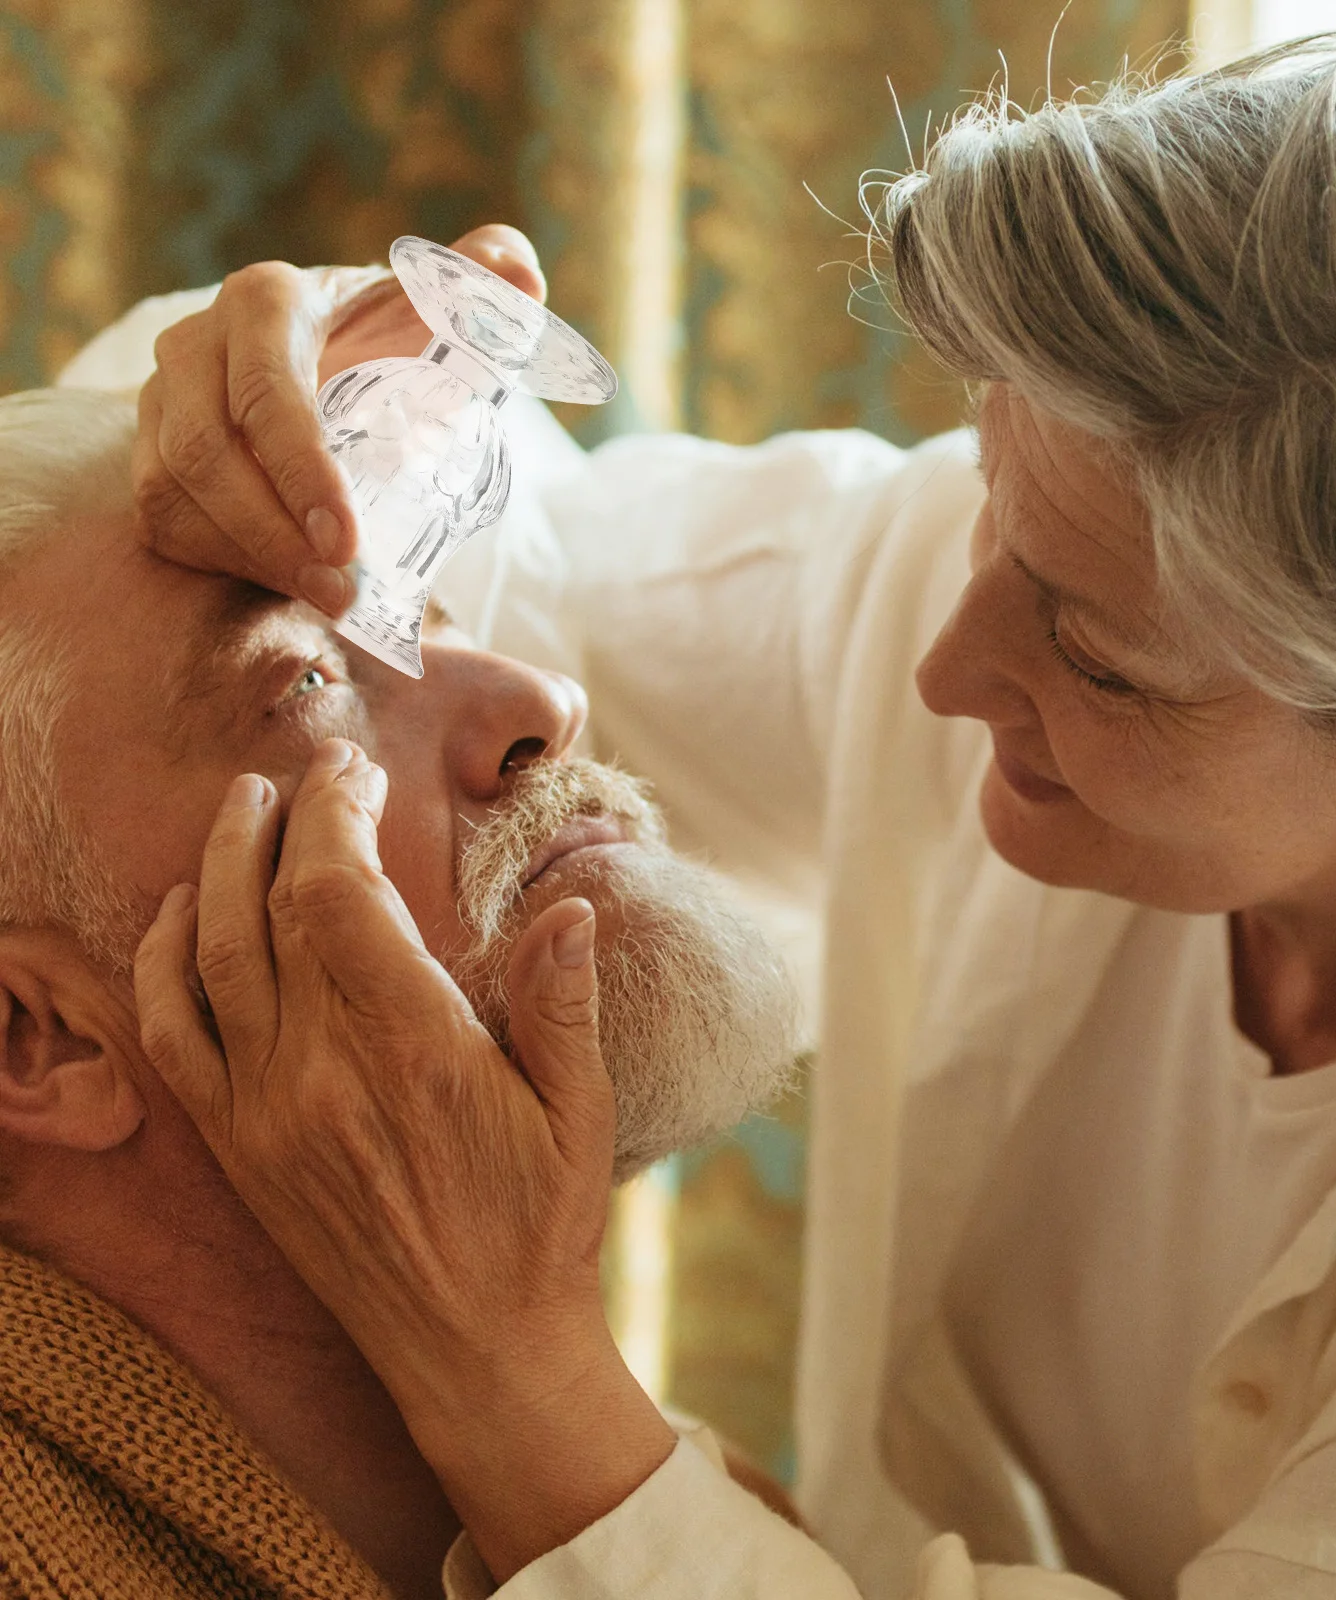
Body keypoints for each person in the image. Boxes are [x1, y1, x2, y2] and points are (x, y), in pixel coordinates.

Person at [88, 32, 1336, 1600]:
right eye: (990, 516)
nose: (946, 669)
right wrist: (309, 393)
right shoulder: (1037, 565)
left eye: (1093, 662)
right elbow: (524, 572)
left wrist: (507, 1359)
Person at [0, 384, 800, 1598]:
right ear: (36, 1038)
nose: (541, 701)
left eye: (428, 612)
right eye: (305, 685)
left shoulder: (695, 1499)